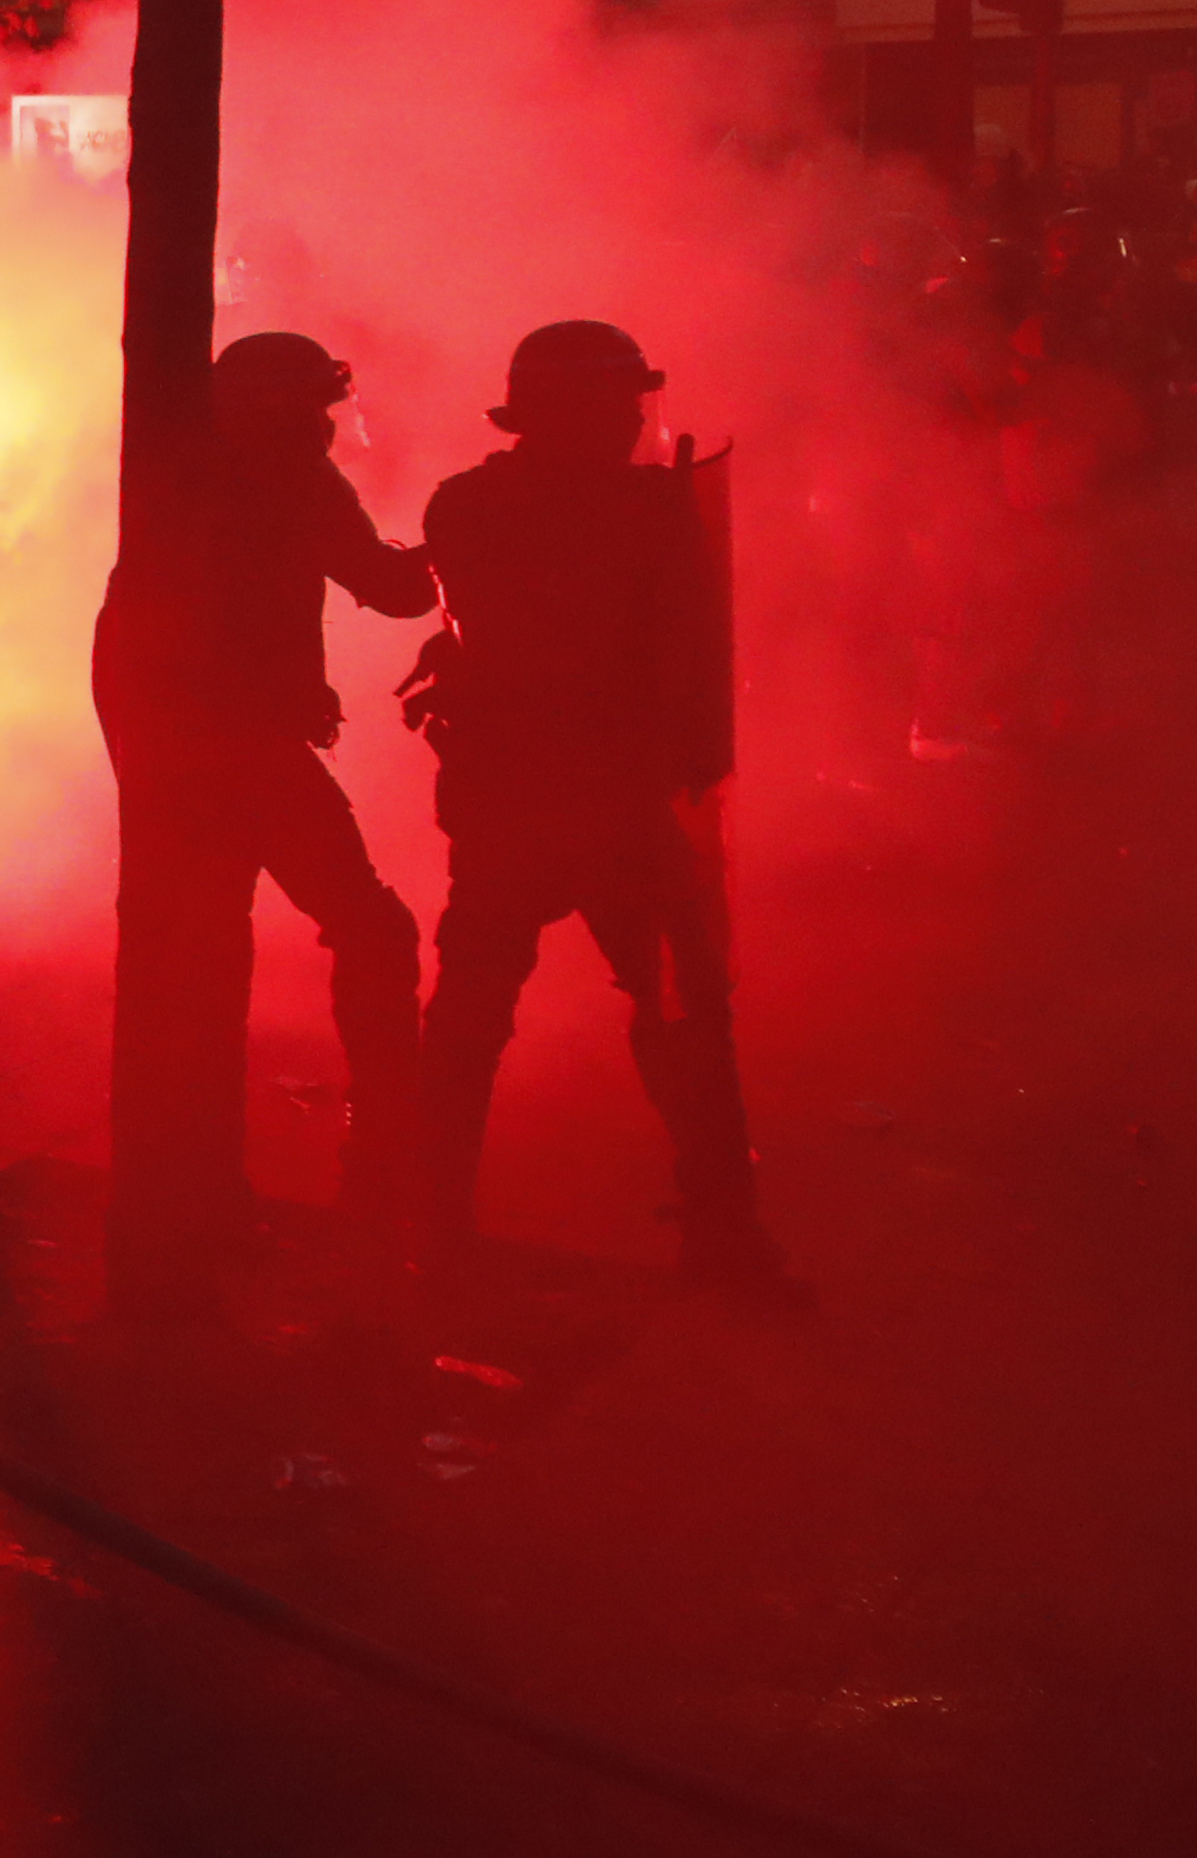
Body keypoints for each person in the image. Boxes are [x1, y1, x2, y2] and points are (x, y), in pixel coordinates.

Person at [405, 319, 790, 1294]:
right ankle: (724, 1241)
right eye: (617, 404)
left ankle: (429, 1224)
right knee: (684, 1019)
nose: (633, 422)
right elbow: (672, 655)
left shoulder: (466, 504)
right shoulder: (644, 515)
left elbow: (476, 626)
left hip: (509, 802)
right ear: (569, 413)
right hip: (607, 806)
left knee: (472, 1022)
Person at [91, 331, 437, 1294]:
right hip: (241, 748)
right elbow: (391, 587)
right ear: (282, 414)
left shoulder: (172, 476)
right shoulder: (295, 482)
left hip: (174, 746)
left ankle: (199, 1190)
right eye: (316, 409)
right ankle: (384, 1162)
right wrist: (459, 538)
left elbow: (118, 646)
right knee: (373, 930)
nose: (329, 426)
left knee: (203, 969)